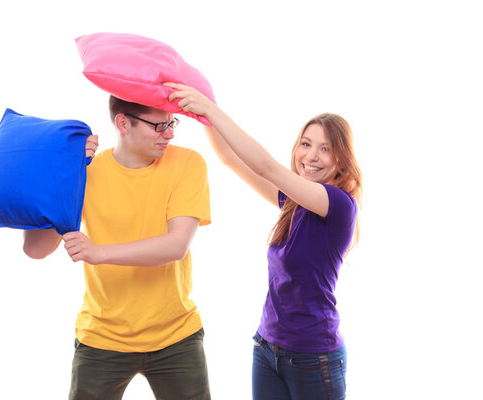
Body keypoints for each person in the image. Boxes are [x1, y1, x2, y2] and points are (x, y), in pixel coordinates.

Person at [165, 82, 362, 400]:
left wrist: (211, 109)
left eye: (325, 149)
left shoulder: (338, 204)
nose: (310, 156)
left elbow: (266, 166)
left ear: (341, 160)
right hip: (268, 349)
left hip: (314, 358)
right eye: (306, 144)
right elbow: (230, 159)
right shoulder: (295, 200)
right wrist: (204, 115)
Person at [22, 95, 212, 400]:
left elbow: (176, 245)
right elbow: (35, 249)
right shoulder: (86, 172)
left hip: (176, 336)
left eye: (171, 123)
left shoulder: (188, 163)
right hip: (101, 337)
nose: (170, 133)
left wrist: (98, 253)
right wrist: (63, 174)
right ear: (123, 123)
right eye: (160, 125)